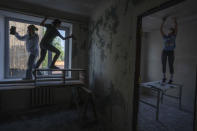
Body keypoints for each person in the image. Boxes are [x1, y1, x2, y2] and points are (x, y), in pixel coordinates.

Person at [160, 17, 178, 84]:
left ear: (172, 32)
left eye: (170, 31)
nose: (168, 32)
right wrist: (163, 22)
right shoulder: (165, 37)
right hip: (164, 51)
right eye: (168, 31)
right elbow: (161, 30)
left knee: (171, 64)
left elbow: (176, 29)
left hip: (171, 52)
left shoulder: (174, 36)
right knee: (163, 63)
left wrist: (175, 22)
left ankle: (171, 78)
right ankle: (164, 77)